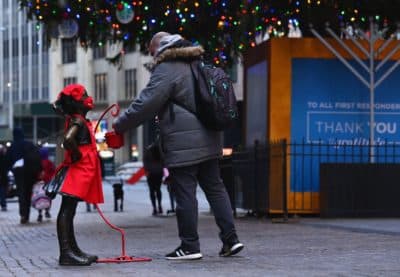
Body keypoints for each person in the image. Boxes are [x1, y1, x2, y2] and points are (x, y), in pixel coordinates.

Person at [113, 32, 243, 260]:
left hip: (184, 143)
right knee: (215, 188)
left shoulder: (167, 68)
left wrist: (119, 125)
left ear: (159, 47)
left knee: (184, 192)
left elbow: (146, 104)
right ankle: (231, 240)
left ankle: (190, 246)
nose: (151, 56)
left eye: (151, 51)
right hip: (210, 138)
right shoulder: (196, 63)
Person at [52, 83, 103, 266]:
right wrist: (78, 154)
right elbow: (67, 140)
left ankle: (73, 250)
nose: (88, 99)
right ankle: (67, 253)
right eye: (84, 96)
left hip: (80, 167)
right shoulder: (78, 121)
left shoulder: (78, 119)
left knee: (69, 209)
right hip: (78, 168)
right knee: (67, 209)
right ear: (76, 103)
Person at [5, 127, 42, 224]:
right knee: (28, 193)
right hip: (30, 172)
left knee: (21, 193)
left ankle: (23, 215)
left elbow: (7, 160)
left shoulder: (13, 146)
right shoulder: (29, 144)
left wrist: (10, 169)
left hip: (19, 172)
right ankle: (27, 214)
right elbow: (37, 157)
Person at [143, 140, 163, 216]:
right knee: (158, 189)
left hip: (151, 174)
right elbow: (163, 162)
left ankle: (154, 208)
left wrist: (147, 171)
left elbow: (145, 163)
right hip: (159, 173)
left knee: (152, 191)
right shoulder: (159, 152)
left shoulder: (148, 152)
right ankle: (160, 206)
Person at [36, 147, 55, 222]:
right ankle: (47, 211)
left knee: (40, 198)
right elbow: (53, 171)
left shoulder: (38, 162)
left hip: (39, 183)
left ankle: (40, 213)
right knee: (48, 197)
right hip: (48, 183)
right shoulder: (49, 162)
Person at [0, 145, 8, 211]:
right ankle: (3, 205)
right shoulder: (4, 158)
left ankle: (3, 204)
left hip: (3, 178)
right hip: (2, 178)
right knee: (2, 192)